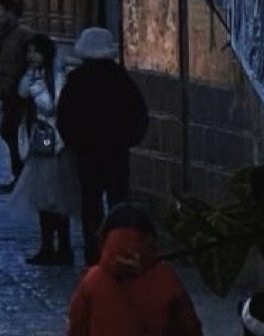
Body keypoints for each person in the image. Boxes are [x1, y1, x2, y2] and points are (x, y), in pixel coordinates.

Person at [56, 26, 150, 265]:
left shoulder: (77, 80)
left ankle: (94, 250)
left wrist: (75, 141)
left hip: (88, 153)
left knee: (91, 203)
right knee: (118, 199)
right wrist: (128, 139)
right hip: (116, 150)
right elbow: (138, 113)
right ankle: (121, 246)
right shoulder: (121, 78)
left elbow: (64, 116)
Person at [65, 203, 201, 336]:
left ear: (104, 238)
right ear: (151, 238)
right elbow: (189, 328)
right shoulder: (166, 279)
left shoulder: (92, 281)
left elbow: (77, 328)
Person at [10, 32, 76, 265]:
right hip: (40, 141)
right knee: (42, 199)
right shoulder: (34, 74)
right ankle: (47, 245)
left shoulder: (56, 75)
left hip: (54, 142)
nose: (31, 56)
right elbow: (20, 93)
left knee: (57, 198)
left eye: (35, 51)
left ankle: (64, 247)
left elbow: (51, 106)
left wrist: (37, 87)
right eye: (29, 52)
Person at [0, 0, 34, 191]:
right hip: (9, 94)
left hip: (22, 95)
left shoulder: (24, 35)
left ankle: (25, 176)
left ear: (10, 12)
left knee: (17, 133)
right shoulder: (7, 34)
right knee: (10, 132)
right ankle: (21, 175)